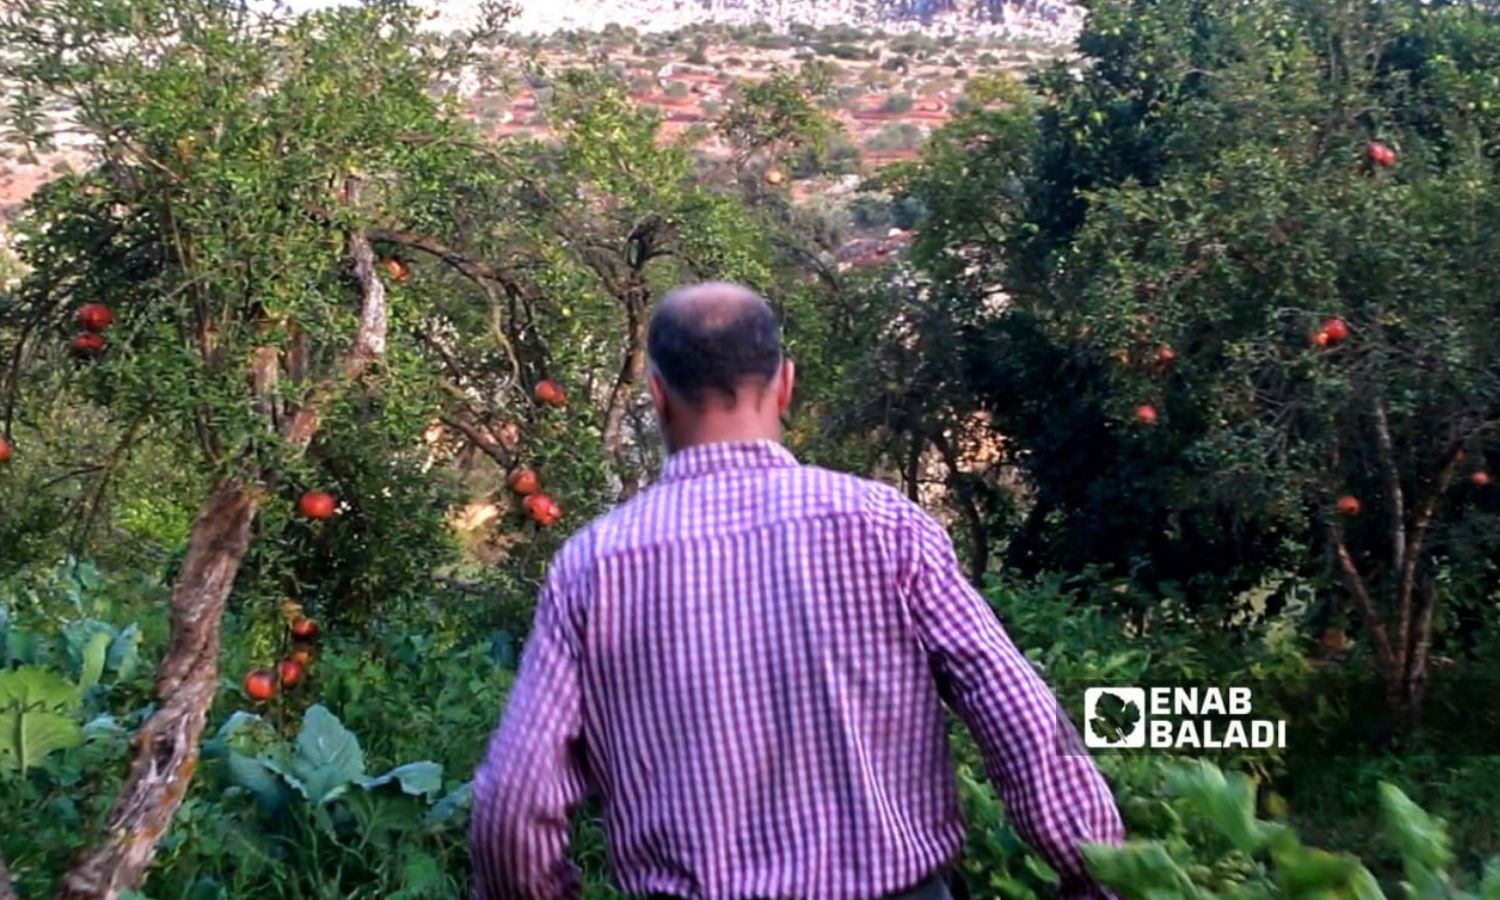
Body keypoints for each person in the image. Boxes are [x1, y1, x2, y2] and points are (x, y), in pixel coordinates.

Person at [470, 282, 1123, 899]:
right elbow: (1019, 716)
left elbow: (515, 800)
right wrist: (1097, 875)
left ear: (658, 394)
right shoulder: (885, 527)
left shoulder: (593, 566)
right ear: (785, 384)